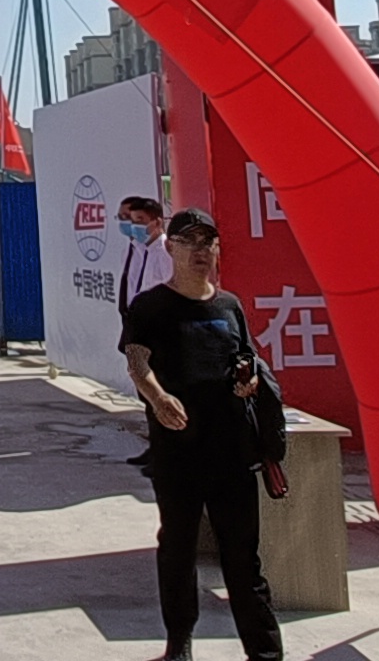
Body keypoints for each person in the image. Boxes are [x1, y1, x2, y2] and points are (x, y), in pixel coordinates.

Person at [122, 210, 284, 661]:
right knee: (178, 548)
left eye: (208, 242)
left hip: (232, 452)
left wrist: (249, 381)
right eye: (189, 241)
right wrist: (158, 398)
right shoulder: (150, 306)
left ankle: (265, 653)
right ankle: (179, 645)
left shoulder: (229, 306)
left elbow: (248, 360)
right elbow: (136, 361)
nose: (200, 251)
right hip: (178, 454)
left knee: (243, 557)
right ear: (170, 247)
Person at [115, 196, 173, 467]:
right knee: (145, 391)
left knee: (158, 389)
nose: (131, 225)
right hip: (137, 325)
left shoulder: (164, 253)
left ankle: (164, 452)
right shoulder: (140, 249)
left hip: (157, 330)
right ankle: (156, 448)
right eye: (127, 219)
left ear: (156, 222)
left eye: (139, 221)